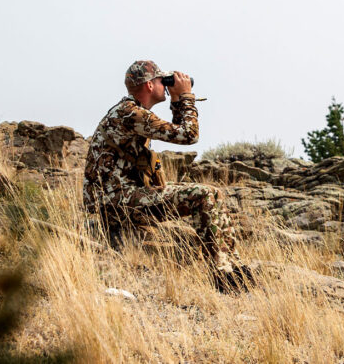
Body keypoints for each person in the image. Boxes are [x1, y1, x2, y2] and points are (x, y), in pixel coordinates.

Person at [82, 60, 250, 290]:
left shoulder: (131, 112)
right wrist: (186, 97)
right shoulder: (130, 114)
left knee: (214, 193)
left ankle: (234, 267)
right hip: (113, 203)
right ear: (150, 85)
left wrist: (176, 102)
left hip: (123, 196)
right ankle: (222, 273)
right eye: (163, 81)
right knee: (204, 195)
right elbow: (189, 135)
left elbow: (178, 133)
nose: (167, 84)